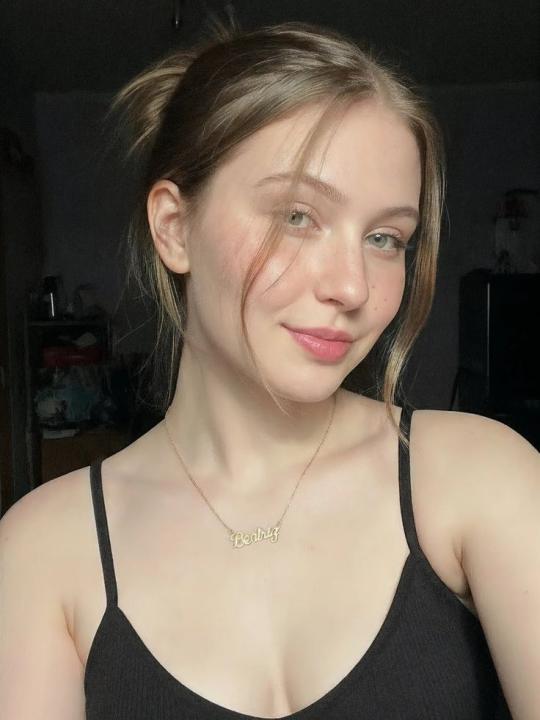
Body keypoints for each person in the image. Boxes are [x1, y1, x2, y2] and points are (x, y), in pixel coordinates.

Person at [1, 19, 538, 720]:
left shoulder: (481, 478)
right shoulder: (43, 549)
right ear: (174, 227)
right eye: (297, 217)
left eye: (385, 238)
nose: (352, 286)